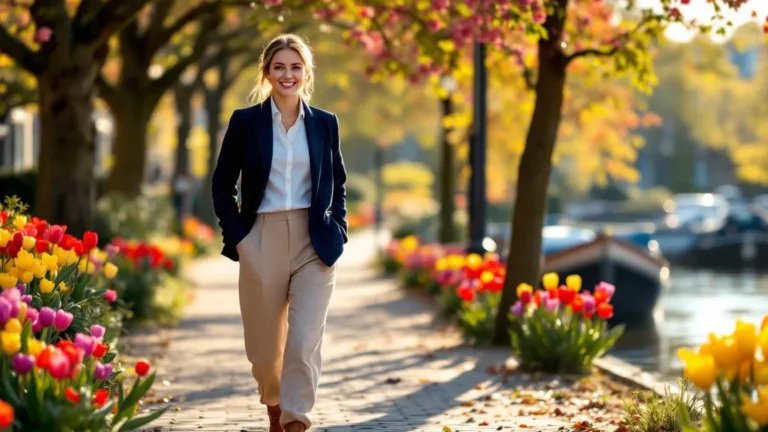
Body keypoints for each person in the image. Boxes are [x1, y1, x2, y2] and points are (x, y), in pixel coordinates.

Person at [211, 33, 348, 432]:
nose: (288, 75)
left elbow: (338, 184)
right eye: (279, 67)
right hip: (261, 238)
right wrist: (239, 238)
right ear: (267, 72)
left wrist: (337, 229)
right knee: (265, 352)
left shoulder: (325, 123)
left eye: (295, 67)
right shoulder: (246, 122)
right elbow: (222, 185)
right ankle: (274, 404)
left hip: (314, 241)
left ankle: (295, 419)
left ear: (306, 72)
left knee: (303, 342)